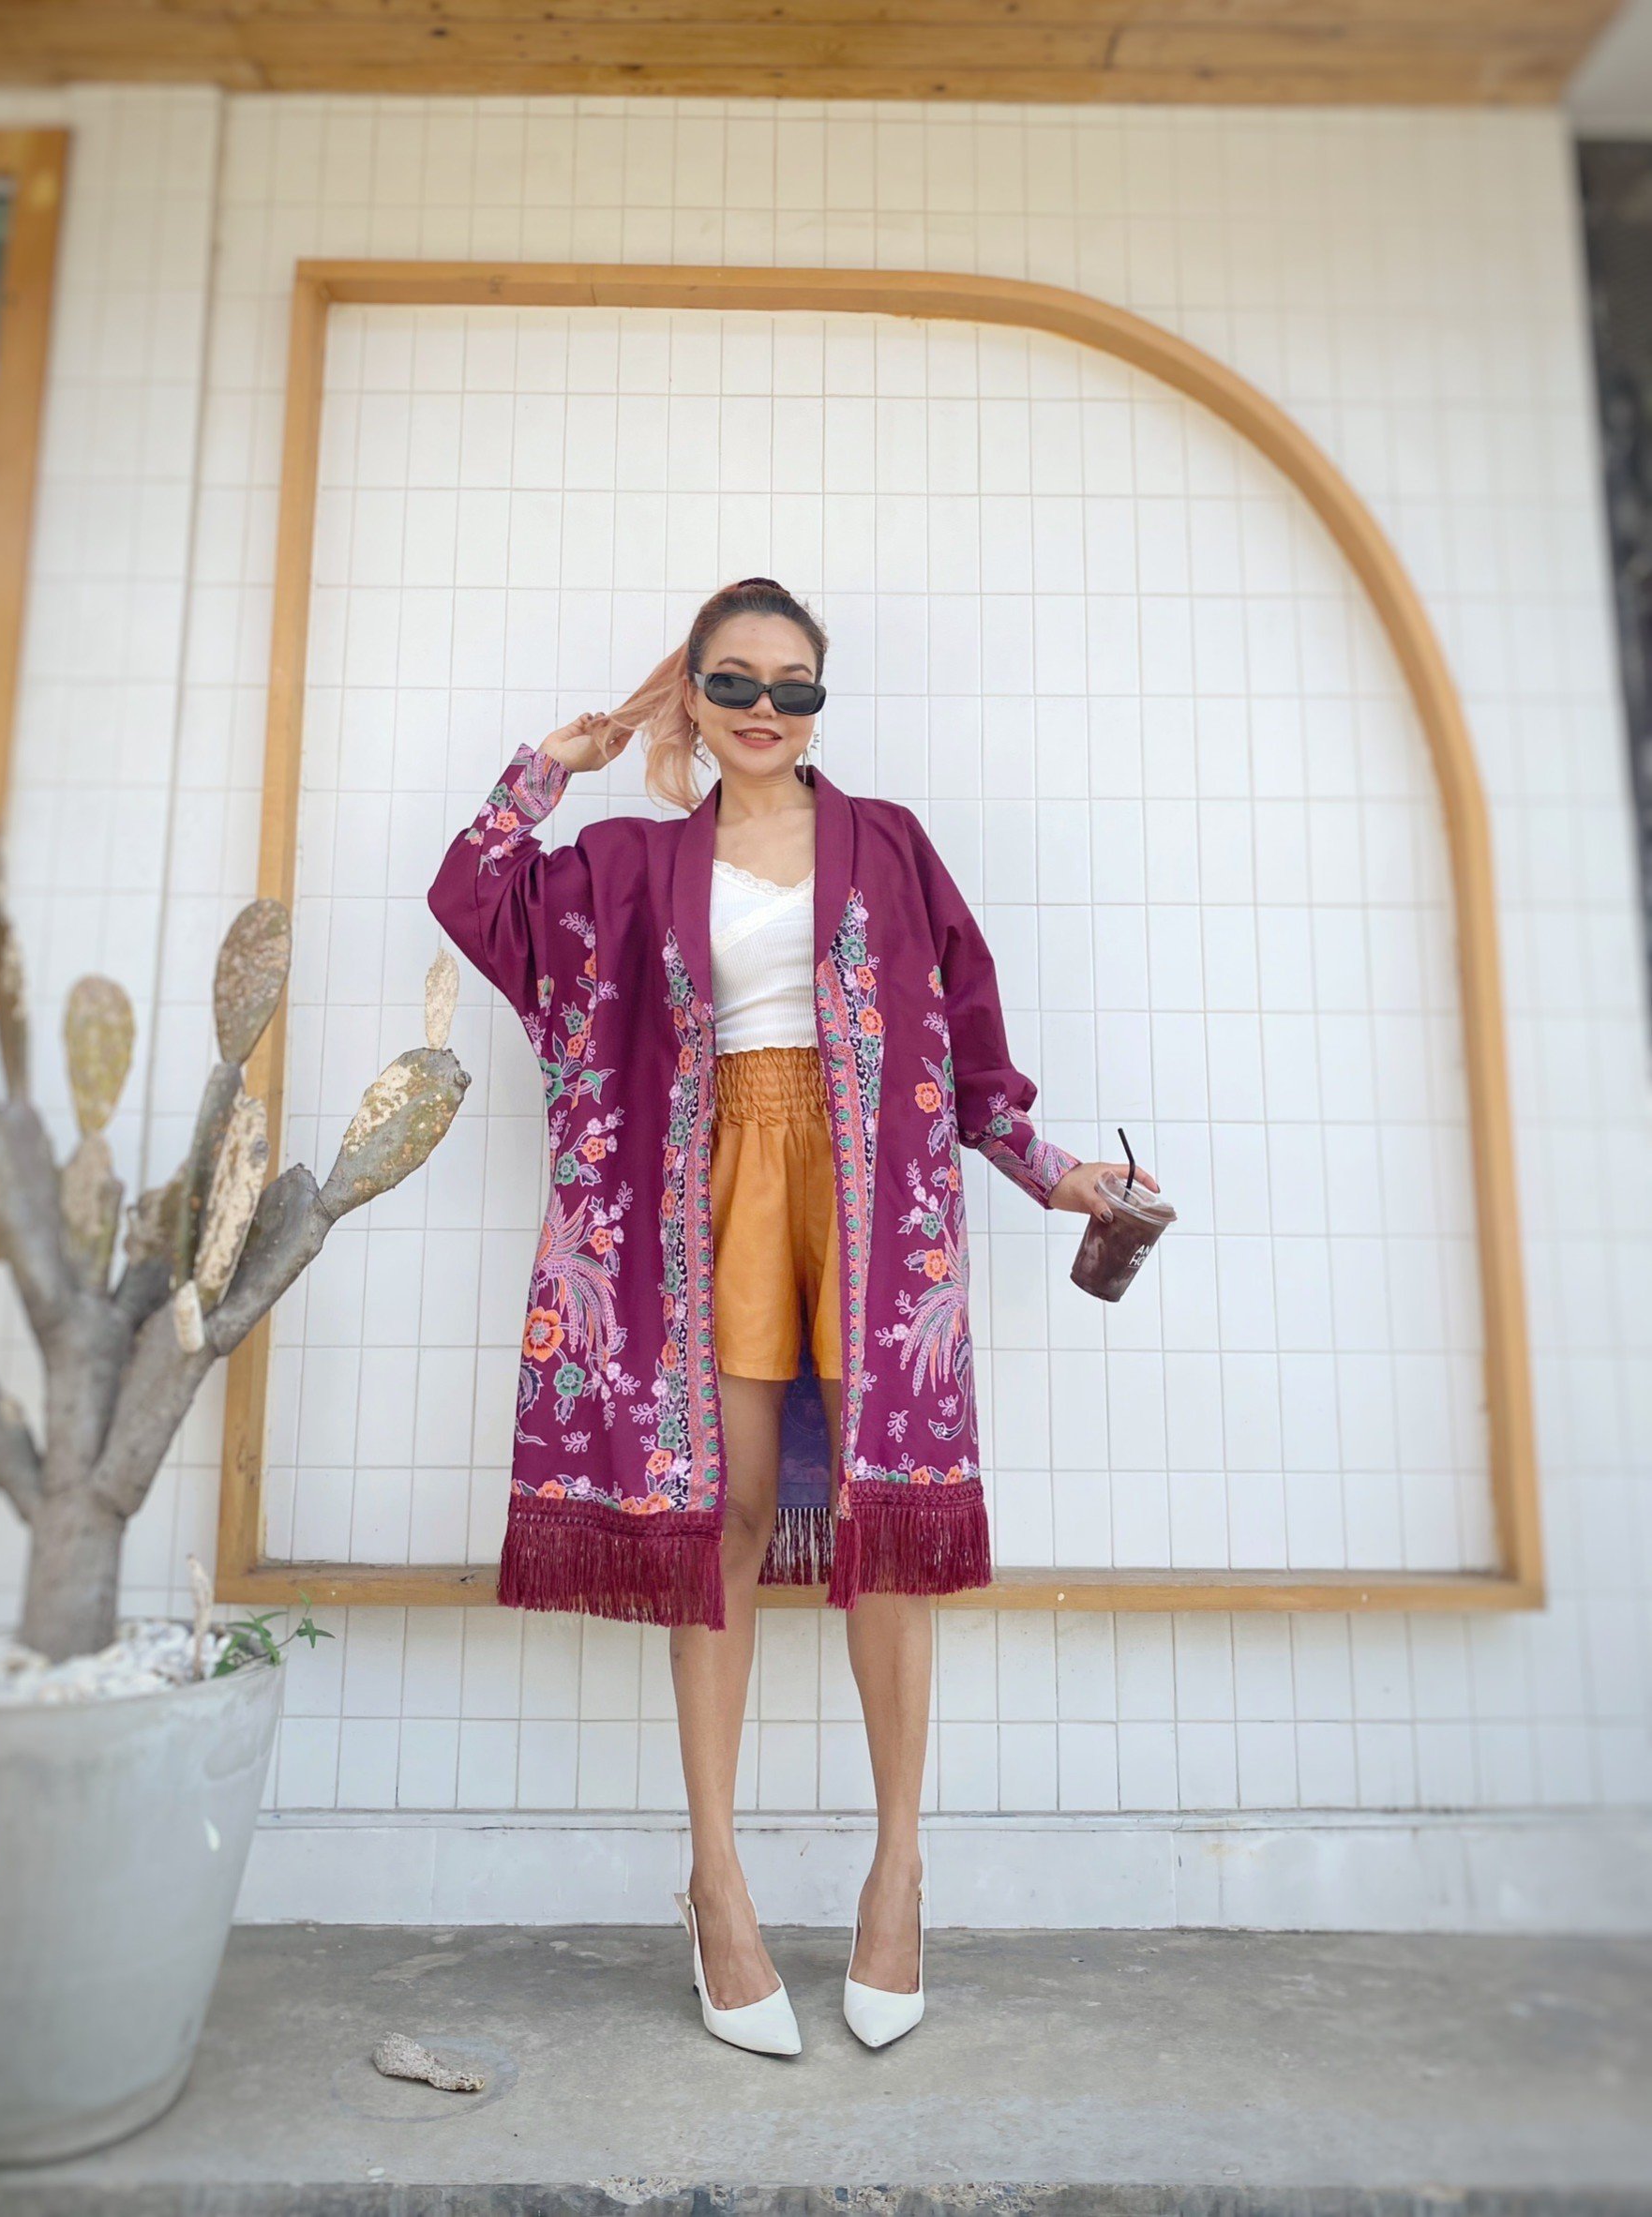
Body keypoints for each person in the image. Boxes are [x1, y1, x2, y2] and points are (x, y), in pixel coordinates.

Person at [427, 577, 1155, 2057]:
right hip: (700, 1196)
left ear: (821, 702)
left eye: (793, 685)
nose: (765, 708)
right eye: (735, 682)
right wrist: (557, 762)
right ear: (691, 696)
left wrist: (1057, 1174)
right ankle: (717, 1886)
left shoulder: (889, 844)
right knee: (734, 1521)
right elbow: (474, 897)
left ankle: (898, 1876)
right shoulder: (625, 860)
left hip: (873, 1201)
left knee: (885, 1523)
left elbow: (972, 1060)